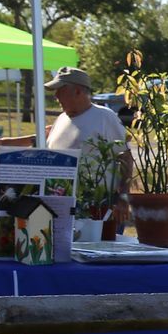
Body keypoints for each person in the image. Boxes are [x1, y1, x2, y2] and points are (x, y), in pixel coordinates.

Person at [45, 67, 132, 226]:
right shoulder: (60, 120)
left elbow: (125, 157)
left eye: (60, 90)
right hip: (62, 205)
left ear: (77, 91)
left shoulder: (105, 117)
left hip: (99, 206)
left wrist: (124, 197)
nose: (55, 96)